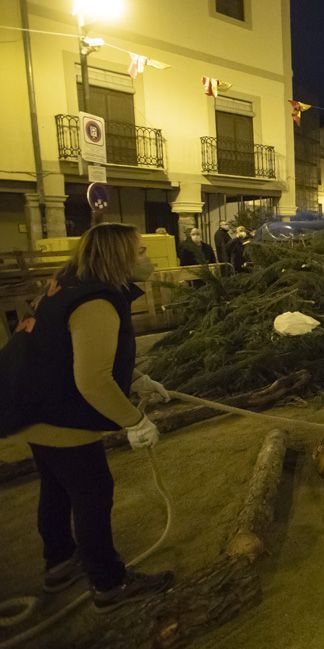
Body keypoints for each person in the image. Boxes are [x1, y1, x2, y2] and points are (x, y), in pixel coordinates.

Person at [10, 223, 174, 611]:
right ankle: (109, 584)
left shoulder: (70, 283)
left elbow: (79, 352)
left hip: (32, 404)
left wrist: (138, 380)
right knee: (92, 493)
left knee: (56, 487)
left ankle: (60, 563)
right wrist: (136, 422)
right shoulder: (96, 303)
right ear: (117, 258)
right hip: (58, 414)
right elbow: (93, 379)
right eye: (139, 252)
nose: (146, 258)